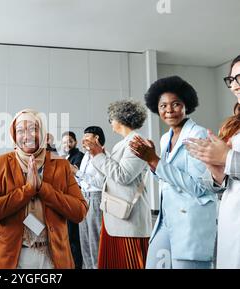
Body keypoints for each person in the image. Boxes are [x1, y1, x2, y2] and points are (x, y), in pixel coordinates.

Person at [0, 109, 88, 269]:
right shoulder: (3, 163)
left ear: (42, 132)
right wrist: (28, 190)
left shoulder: (60, 164)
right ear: (13, 135)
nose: (27, 135)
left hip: (52, 258)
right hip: (11, 257)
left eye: (33, 129)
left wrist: (44, 189)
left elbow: (80, 212)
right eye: (20, 131)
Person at [129, 76, 218, 269]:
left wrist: (154, 160)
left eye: (175, 104)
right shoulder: (164, 139)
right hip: (166, 219)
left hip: (190, 222)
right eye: (163, 106)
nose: (169, 110)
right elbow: (167, 177)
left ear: (187, 105)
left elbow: (200, 186)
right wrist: (151, 162)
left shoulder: (198, 135)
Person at [185, 55, 240, 268]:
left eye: (239, 77)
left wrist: (226, 158)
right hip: (231, 220)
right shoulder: (233, 126)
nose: (234, 86)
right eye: (231, 79)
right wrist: (214, 169)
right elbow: (222, 185)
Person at [86, 99, 151, 269]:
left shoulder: (137, 141)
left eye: (110, 119)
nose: (111, 124)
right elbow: (109, 177)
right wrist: (96, 155)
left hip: (128, 220)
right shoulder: (122, 144)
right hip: (115, 216)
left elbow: (123, 176)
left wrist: (99, 155)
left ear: (120, 118)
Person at [70, 126, 105, 269]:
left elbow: (100, 182)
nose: (83, 141)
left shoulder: (102, 156)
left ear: (96, 139)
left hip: (96, 198)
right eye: (83, 138)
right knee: (84, 240)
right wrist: (73, 175)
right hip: (83, 197)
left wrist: (77, 173)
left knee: (95, 239)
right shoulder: (85, 156)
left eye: (87, 138)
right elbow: (83, 181)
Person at [61, 131, 84, 269]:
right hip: (66, 200)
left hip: (74, 201)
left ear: (75, 142)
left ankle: (77, 265)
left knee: (73, 236)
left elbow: (77, 179)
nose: (67, 144)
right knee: (68, 236)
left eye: (69, 141)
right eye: (64, 142)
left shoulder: (79, 156)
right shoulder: (67, 157)